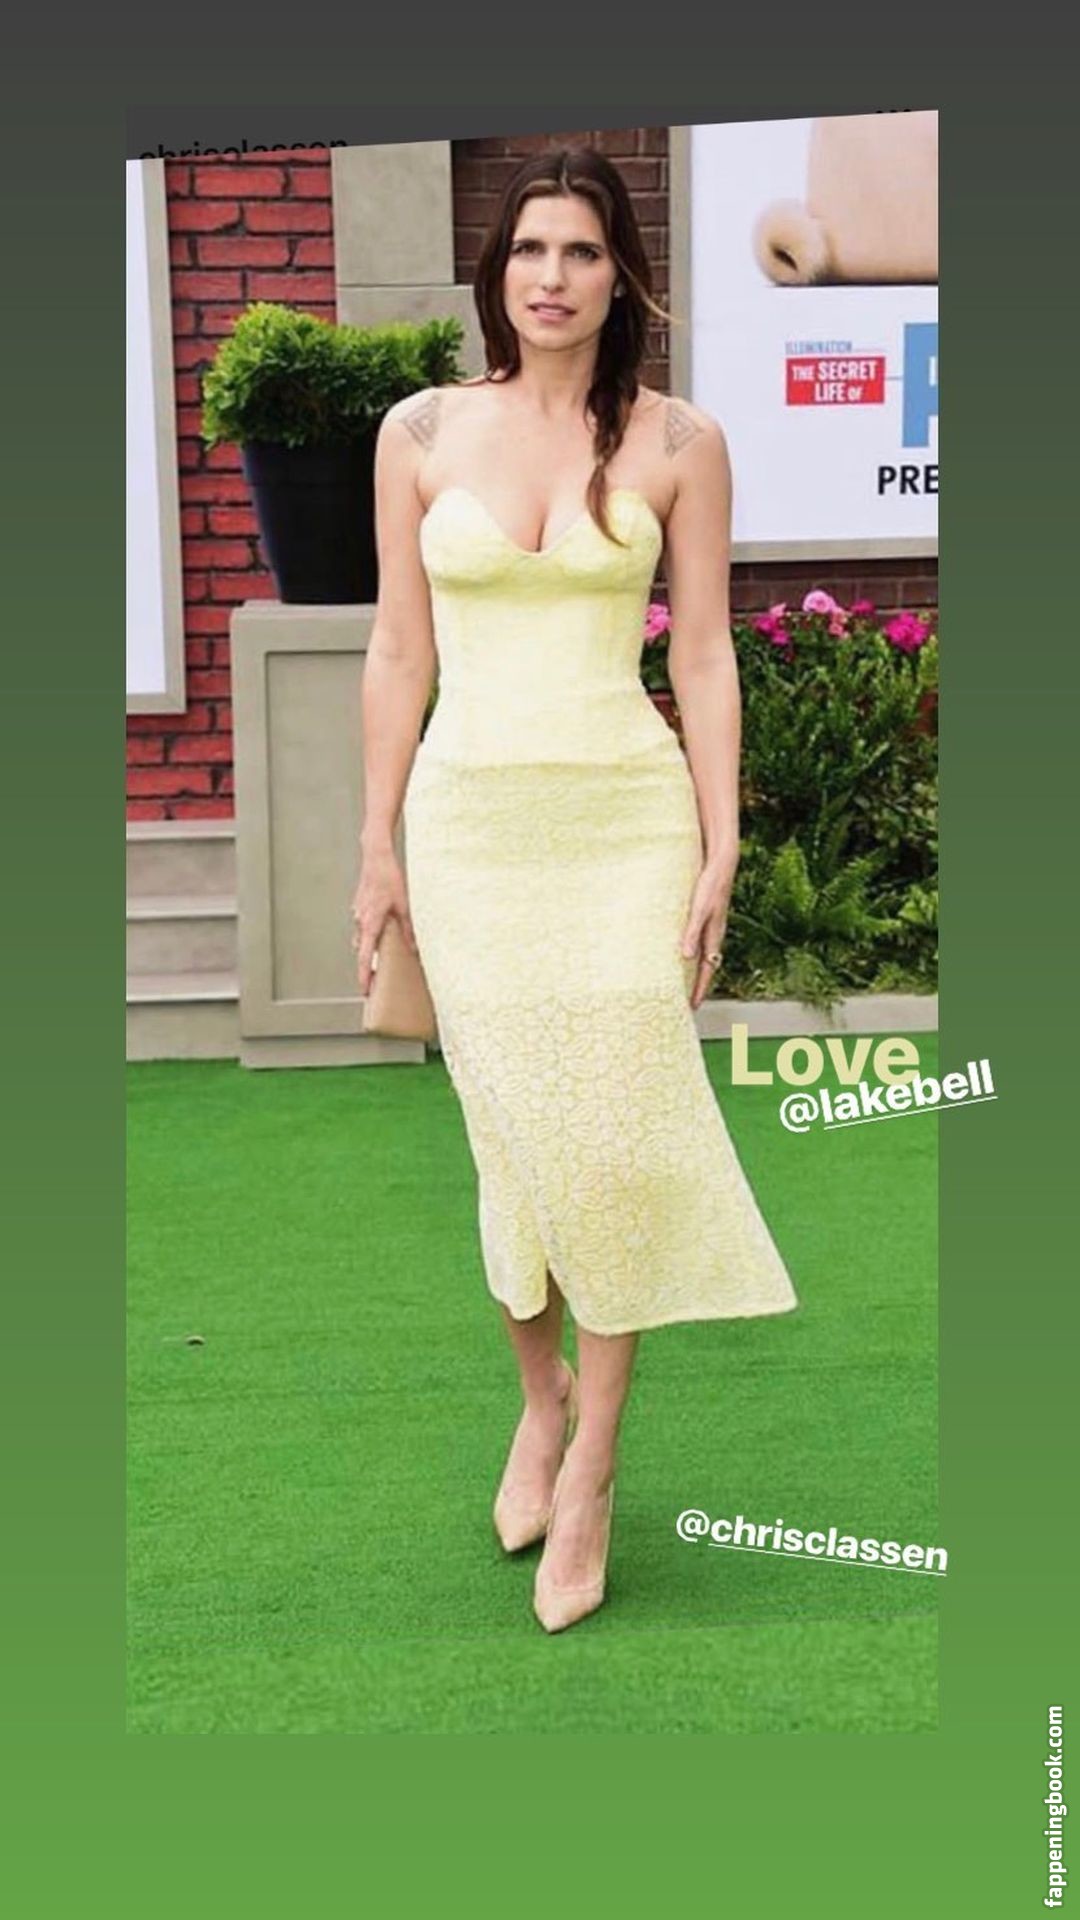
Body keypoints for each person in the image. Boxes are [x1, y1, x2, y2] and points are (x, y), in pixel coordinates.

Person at [352, 145, 798, 1634]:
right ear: (497, 274)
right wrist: (375, 844)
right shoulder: (420, 432)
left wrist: (722, 842)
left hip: (625, 822)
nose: (554, 277)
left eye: (584, 251)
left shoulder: (682, 440)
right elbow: (397, 651)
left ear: (625, 277)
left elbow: (706, 655)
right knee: (514, 1140)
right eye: (531, 249)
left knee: (610, 1138)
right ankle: (538, 1400)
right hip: (468, 825)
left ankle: (594, 1463)